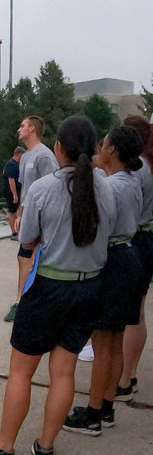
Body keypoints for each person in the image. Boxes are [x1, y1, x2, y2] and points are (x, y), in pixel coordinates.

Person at [0, 115, 116, 455]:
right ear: (96, 148)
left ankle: (4, 448)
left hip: (50, 285)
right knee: (64, 372)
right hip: (90, 286)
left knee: (21, 371)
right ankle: (46, 448)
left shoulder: (44, 189)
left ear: (59, 148)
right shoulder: (108, 188)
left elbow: (28, 239)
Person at [63, 125, 144, 434]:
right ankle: (107, 407)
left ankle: (93, 414)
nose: (99, 148)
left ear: (112, 150)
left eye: (104, 143)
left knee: (102, 343)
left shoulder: (113, 187)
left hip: (114, 263)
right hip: (129, 258)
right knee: (116, 339)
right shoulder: (130, 180)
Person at [4, 116, 58, 322]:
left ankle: (22, 302)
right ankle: (22, 299)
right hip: (28, 216)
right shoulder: (26, 156)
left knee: (30, 258)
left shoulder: (45, 157)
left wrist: (44, 223)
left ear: (32, 129)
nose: (19, 129)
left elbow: (53, 189)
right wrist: (20, 214)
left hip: (41, 218)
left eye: (22, 126)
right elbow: (25, 190)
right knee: (24, 258)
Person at [118, 115, 153, 399]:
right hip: (149, 237)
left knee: (129, 315)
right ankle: (131, 373)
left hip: (137, 238)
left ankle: (123, 380)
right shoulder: (150, 166)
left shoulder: (138, 170)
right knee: (138, 312)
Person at [2, 147, 25, 239]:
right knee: (12, 211)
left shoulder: (17, 164)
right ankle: (14, 233)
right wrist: (15, 195)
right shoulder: (11, 164)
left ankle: (18, 230)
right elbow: (11, 180)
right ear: (19, 154)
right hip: (11, 191)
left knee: (19, 210)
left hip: (18, 190)